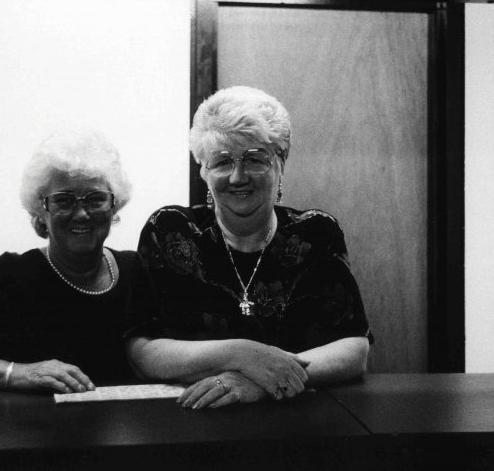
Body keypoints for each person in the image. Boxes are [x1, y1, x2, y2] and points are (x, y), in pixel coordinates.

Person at [127, 86, 372, 409]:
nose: (238, 176)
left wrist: (263, 380)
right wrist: (242, 354)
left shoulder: (316, 233)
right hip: (192, 419)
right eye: (222, 161)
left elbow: (354, 349)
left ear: (281, 162)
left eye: (255, 159)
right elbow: (142, 351)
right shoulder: (171, 231)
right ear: (203, 169)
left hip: (299, 420)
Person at [0, 128, 140, 393]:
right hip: (31, 432)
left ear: (114, 206)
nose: (82, 214)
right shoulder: (8, 278)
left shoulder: (138, 273)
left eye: (95, 199)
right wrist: (13, 373)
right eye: (63, 201)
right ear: (41, 212)